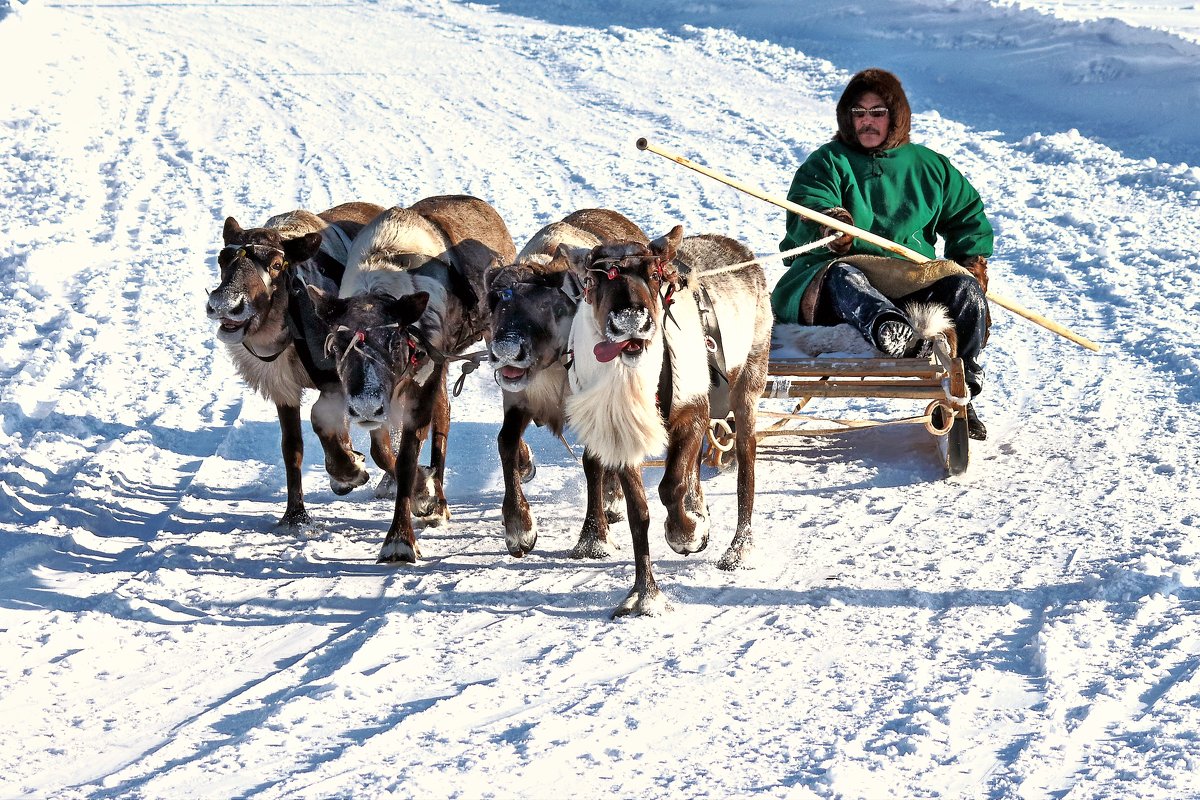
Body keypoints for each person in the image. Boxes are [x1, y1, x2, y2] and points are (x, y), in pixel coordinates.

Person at [771, 68, 992, 440]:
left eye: (877, 112)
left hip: (907, 277)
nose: (867, 122)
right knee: (845, 277)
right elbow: (810, 204)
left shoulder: (930, 166)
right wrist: (832, 225)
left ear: (896, 117)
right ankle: (889, 329)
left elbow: (967, 217)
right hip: (836, 277)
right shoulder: (828, 161)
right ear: (847, 117)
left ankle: (962, 388)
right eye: (859, 113)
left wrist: (970, 263)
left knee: (963, 288)